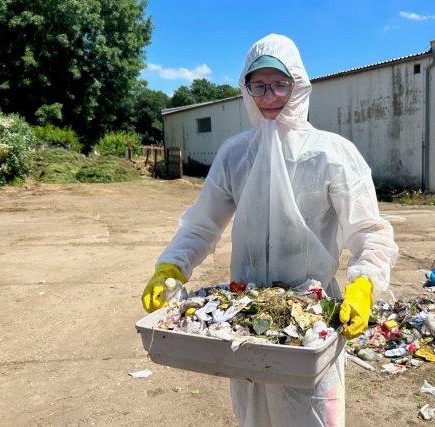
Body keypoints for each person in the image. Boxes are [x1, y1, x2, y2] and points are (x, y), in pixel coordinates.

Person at [141, 33, 398, 427]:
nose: (270, 96)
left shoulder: (331, 153)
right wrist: (171, 267)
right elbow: (202, 223)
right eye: (258, 85)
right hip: (246, 314)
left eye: (280, 84)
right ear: (246, 89)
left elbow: (369, 230)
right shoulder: (236, 154)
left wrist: (363, 283)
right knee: (254, 412)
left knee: (310, 413)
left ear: (298, 85)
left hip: (308, 316)